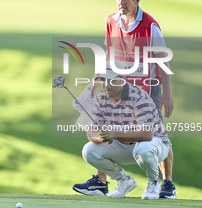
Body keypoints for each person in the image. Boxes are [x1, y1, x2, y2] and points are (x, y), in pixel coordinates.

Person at [74, 0, 176, 199]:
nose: (120, 1)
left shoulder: (150, 25)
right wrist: (96, 79)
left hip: (147, 90)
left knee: (156, 134)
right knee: (103, 126)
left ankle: (167, 184)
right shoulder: (110, 21)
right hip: (118, 88)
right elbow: (109, 54)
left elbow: (163, 60)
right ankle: (102, 182)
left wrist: (167, 93)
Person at [73, 64, 171, 199]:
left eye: (111, 80)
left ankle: (153, 182)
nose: (106, 85)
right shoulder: (102, 98)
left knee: (143, 149)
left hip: (156, 145)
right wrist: (102, 137)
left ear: (123, 78)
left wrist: (113, 134)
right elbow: (91, 133)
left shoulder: (138, 96)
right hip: (125, 146)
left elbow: (147, 134)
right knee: (89, 150)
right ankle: (125, 181)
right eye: (103, 80)